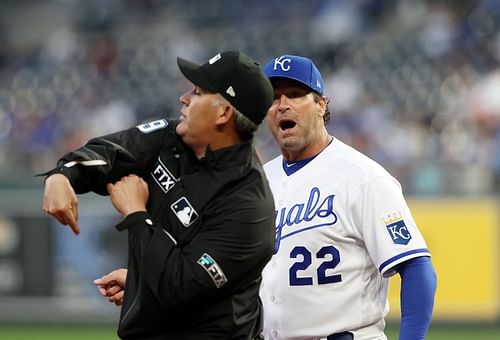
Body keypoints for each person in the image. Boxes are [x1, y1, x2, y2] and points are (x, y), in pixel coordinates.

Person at [41, 51, 276, 340]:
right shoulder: (172, 138)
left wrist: (136, 215)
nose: (184, 97)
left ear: (223, 113)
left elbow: (180, 287)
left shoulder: (249, 206)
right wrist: (61, 175)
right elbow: (109, 152)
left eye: (198, 91)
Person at [258, 54, 437, 340]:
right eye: (273, 97)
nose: (283, 105)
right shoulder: (260, 180)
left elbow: (416, 267)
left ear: (321, 105)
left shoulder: (363, 177)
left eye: (295, 94)